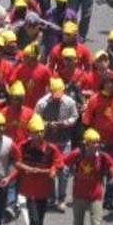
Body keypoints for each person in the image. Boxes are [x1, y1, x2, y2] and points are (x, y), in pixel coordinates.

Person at [82, 74, 113, 211]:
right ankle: (93, 197)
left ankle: (108, 200)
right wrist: (87, 140)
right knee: (95, 172)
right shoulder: (94, 99)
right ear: (102, 84)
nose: (110, 86)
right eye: (107, 83)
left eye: (112, 83)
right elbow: (86, 122)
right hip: (97, 143)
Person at [64, 128, 113, 225]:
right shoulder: (77, 154)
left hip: (96, 196)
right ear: (86, 143)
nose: (96, 145)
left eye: (97, 142)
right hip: (79, 195)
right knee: (78, 224)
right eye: (93, 142)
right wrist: (65, 171)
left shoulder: (103, 156)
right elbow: (63, 163)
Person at [16, 114, 64, 225]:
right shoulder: (23, 146)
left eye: (42, 131)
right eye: (37, 132)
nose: (40, 134)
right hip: (30, 190)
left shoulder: (51, 148)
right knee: (34, 219)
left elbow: (58, 162)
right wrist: (29, 168)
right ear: (30, 133)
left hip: (44, 190)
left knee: (40, 220)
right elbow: (16, 162)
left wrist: (54, 169)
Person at [34, 77, 79, 211]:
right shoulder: (42, 103)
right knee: (49, 170)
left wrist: (64, 123)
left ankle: (62, 198)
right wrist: (48, 125)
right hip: (48, 141)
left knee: (63, 170)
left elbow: (75, 117)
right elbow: (36, 119)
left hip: (64, 141)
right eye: (54, 95)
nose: (57, 98)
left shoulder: (70, 102)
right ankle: (51, 196)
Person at [9, 44, 53, 108]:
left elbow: (51, 86)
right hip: (23, 105)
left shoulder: (44, 70)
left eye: (26, 57)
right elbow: (12, 82)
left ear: (33, 57)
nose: (23, 58)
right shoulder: (20, 68)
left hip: (39, 106)